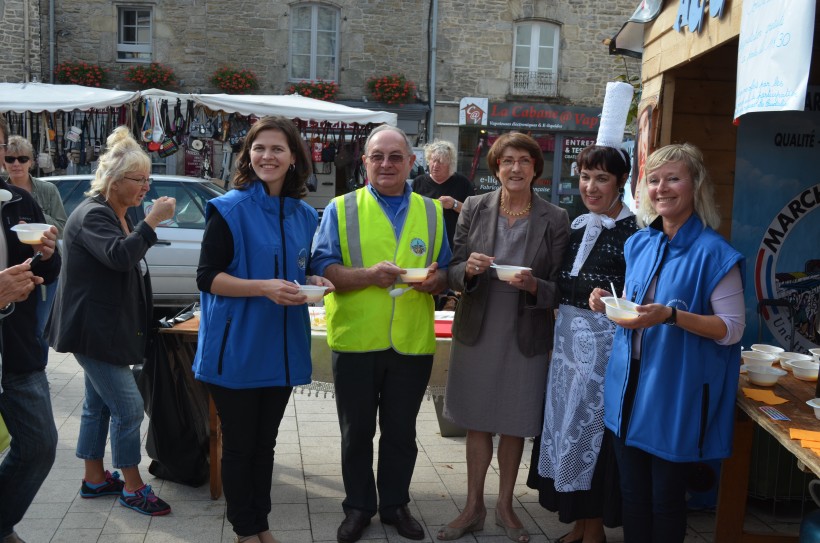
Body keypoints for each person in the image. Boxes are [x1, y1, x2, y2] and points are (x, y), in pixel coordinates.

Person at [589, 143, 745, 543]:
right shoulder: (639, 243)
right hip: (629, 386)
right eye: (654, 180)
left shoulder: (716, 253)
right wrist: (606, 303)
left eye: (673, 178)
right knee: (631, 496)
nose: (662, 188)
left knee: (666, 499)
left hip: (675, 392)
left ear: (695, 186)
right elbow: (634, 305)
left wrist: (672, 316)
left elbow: (732, 329)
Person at [193, 116, 333, 543]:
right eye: (259, 148)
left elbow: (302, 269)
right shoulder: (229, 209)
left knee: (265, 446)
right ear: (248, 155)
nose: (267, 156)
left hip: (284, 349)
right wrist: (262, 289)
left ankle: (261, 525)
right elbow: (207, 277)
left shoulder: (306, 216)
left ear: (294, 158)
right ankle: (245, 529)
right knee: (238, 446)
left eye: (277, 149)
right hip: (236, 350)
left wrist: (315, 282)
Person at [311, 124, 451, 543]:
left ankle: (394, 505)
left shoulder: (432, 211)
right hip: (356, 338)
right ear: (365, 162)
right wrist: (367, 276)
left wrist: (436, 281)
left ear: (412, 162)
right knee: (356, 433)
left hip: (411, 340)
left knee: (402, 432)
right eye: (378, 156)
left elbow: (445, 269)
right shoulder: (341, 207)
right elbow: (323, 267)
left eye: (396, 156)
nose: (386, 164)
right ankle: (358, 506)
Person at [438, 132, 569, 543]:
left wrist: (536, 287)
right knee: (477, 420)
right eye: (507, 161)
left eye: (524, 161)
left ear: (536, 169)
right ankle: (472, 506)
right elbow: (453, 269)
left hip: (526, 329)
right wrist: (469, 271)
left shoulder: (555, 217)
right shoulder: (474, 208)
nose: (515, 168)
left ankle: (505, 505)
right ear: (496, 168)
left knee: (514, 420)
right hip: (479, 323)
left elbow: (560, 285)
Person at [47, 126, 175, 517]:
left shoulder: (118, 212)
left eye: (148, 179)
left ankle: (94, 479)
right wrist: (151, 223)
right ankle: (133, 487)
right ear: (114, 181)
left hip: (104, 330)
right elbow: (120, 257)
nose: (145, 187)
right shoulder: (93, 215)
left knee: (97, 406)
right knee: (129, 407)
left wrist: (142, 222)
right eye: (139, 179)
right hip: (94, 332)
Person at [527, 145, 637, 543]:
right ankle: (580, 526)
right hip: (567, 353)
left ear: (622, 182)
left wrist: (609, 301)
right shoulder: (575, 226)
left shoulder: (636, 234)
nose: (590, 186)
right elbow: (562, 286)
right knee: (566, 430)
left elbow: (638, 297)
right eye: (585, 176)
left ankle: (595, 533)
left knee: (594, 438)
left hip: (606, 357)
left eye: (602, 178)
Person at [0, 116, 61, 543]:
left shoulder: (17, 202)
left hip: (17, 347)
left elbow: (50, 267)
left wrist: (47, 253)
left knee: (39, 446)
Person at [4, 135, 68, 362]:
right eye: (10, 159)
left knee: (40, 327)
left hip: (43, 265)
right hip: (10, 270)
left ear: (31, 162)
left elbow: (62, 225)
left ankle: (37, 369)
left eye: (22, 158)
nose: (16, 164)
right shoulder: (3, 193)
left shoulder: (46, 190)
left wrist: (34, 213)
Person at [412, 139, 475, 249]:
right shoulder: (418, 182)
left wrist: (454, 204)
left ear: (449, 164)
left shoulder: (463, 183)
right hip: (424, 243)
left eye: (440, 161)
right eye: (433, 160)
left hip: (454, 244)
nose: (435, 165)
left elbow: (474, 214)